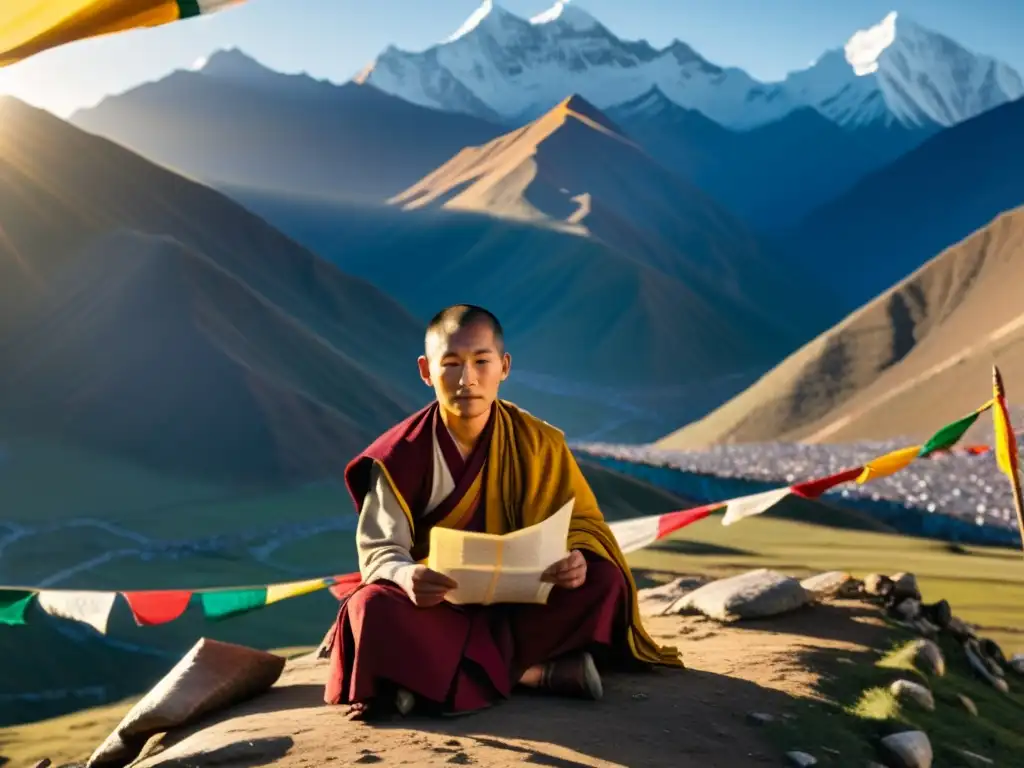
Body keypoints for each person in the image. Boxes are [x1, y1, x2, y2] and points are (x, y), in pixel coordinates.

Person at [321, 304, 683, 719]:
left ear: (504, 366)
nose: (467, 379)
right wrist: (409, 576)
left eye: (481, 361)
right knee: (370, 607)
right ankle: (531, 672)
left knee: (605, 580)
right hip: (438, 607)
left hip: (522, 602)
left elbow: (583, 525)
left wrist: (577, 559)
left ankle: (431, 681)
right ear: (426, 370)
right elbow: (380, 552)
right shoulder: (398, 456)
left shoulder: (538, 442)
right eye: (451, 364)